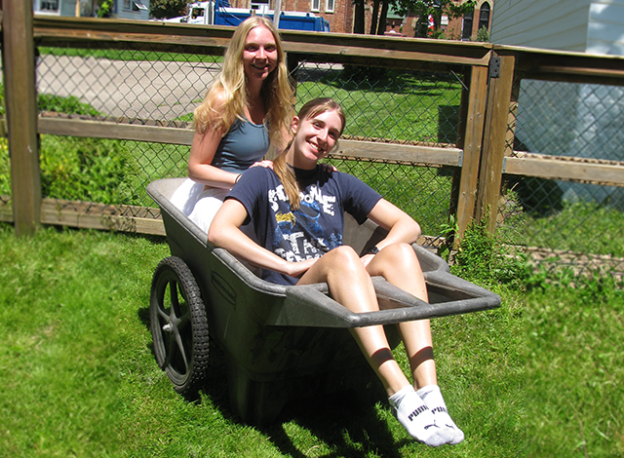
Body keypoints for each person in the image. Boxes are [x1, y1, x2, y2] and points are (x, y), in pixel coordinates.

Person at [208, 98, 464, 447]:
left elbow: (408, 225)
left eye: (332, 133)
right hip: (296, 288)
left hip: (343, 276)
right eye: (317, 125)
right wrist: (283, 264)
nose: (323, 137)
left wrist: (368, 257)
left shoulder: (337, 182)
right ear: (296, 124)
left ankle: (430, 390)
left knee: (401, 253)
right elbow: (219, 230)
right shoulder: (261, 177)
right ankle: (399, 391)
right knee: (344, 255)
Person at [170, 16, 293, 233]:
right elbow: (195, 168)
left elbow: (290, 151)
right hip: (219, 195)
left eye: (270, 48)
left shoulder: (272, 99)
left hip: (253, 192)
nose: (262, 56)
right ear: (238, 53)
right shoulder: (224, 101)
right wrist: (244, 178)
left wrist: (317, 170)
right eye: (252, 48)